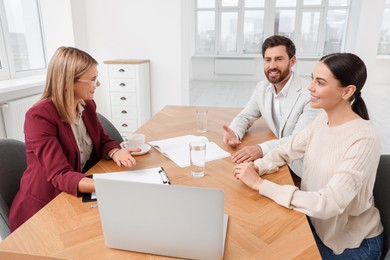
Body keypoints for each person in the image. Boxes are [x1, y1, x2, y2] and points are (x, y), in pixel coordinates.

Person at [232, 53, 384, 259]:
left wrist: (261, 185)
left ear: (347, 91)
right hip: (314, 223)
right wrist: (258, 166)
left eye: (320, 82)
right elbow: (286, 151)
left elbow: (329, 203)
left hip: (349, 244)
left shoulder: (363, 139)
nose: (310, 87)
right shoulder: (322, 121)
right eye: (312, 78)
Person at [9, 47, 140, 232]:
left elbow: (101, 139)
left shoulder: (87, 105)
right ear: (68, 82)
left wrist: (115, 151)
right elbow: (59, 174)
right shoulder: (39, 117)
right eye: (92, 80)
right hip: (44, 210)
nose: (98, 84)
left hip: (74, 196)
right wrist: (110, 186)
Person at [223, 35, 321, 178]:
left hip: (300, 168)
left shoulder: (309, 93)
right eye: (268, 60)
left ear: (292, 61)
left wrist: (261, 149)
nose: (272, 65)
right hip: (275, 161)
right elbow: (245, 116)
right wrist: (234, 133)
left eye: (279, 59)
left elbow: (299, 140)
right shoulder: (262, 87)